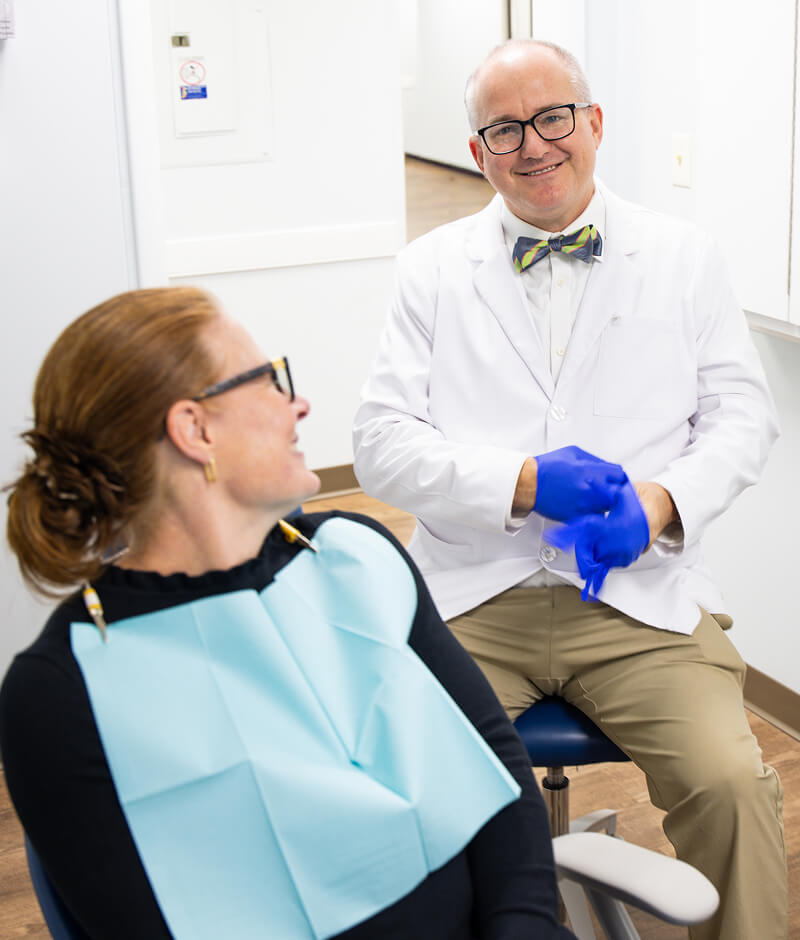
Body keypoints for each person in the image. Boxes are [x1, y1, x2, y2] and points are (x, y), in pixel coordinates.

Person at [353, 38, 786, 940]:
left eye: (552, 117)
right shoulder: (428, 269)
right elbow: (380, 447)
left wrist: (661, 504)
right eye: (504, 129)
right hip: (474, 599)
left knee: (731, 785)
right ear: (477, 152)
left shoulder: (684, 255)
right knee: (403, 794)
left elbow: (744, 417)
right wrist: (521, 481)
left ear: (593, 122)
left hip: (637, 601)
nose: (534, 145)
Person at [0, 287, 576, 939]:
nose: (298, 404)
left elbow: (495, 767)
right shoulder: (65, 689)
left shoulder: (356, 555)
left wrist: (524, 925)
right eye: (270, 381)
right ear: (196, 430)